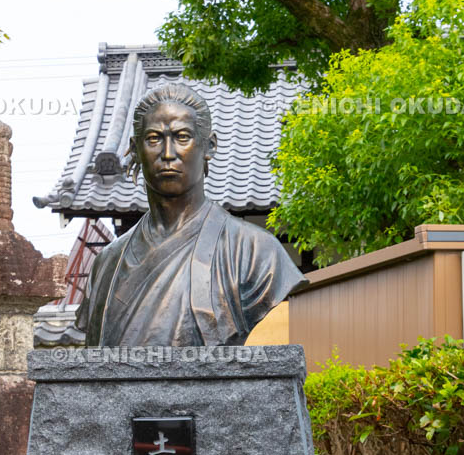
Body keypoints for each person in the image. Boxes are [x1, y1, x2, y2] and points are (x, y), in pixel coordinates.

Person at [60, 82, 307, 347]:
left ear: (209, 146)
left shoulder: (257, 253)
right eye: (154, 138)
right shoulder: (107, 264)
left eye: (182, 137)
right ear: (136, 149)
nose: (168, 154)